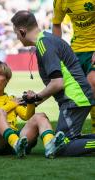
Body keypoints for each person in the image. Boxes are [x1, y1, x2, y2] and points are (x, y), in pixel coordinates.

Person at [11, 10, 95, 156]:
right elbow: (55, 85)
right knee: (67, 140)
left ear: (22, 31)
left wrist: (36, 97)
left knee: (62, 146)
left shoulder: (44, 44)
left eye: (16, 33)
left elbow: (58, 83)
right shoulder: (46, 40)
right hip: (77, 97)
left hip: (74, 99)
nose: (17, 37)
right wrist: (34, 101)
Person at [0, 60, 65, 158]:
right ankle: (15, 143)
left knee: (40, 116)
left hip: (13, 140)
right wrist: (11, 105)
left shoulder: (11, 99)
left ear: (7, 80)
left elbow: (27, 116)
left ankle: (50, 145)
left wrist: (30, 102)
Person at [52, 0, 95, 133]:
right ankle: (73, 130)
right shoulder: (60, 1)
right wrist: (57, 50)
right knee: (77, 93)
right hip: (76, 50)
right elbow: (56, 24)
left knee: (93, 83)